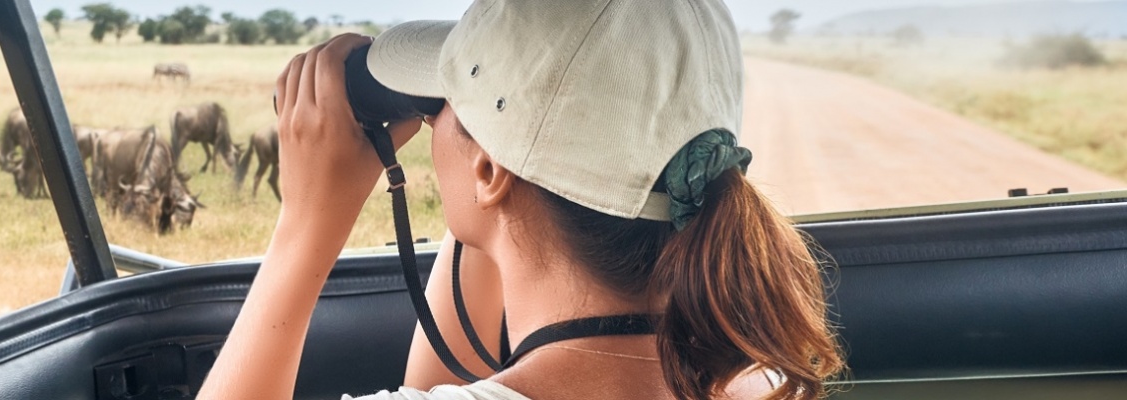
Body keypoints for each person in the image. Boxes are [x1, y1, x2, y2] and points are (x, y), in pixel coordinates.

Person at [197, 1, 845, 399]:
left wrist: (305, 228)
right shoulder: (765, 385)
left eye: (446, 109)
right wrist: (494, 174)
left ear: (488, 167)